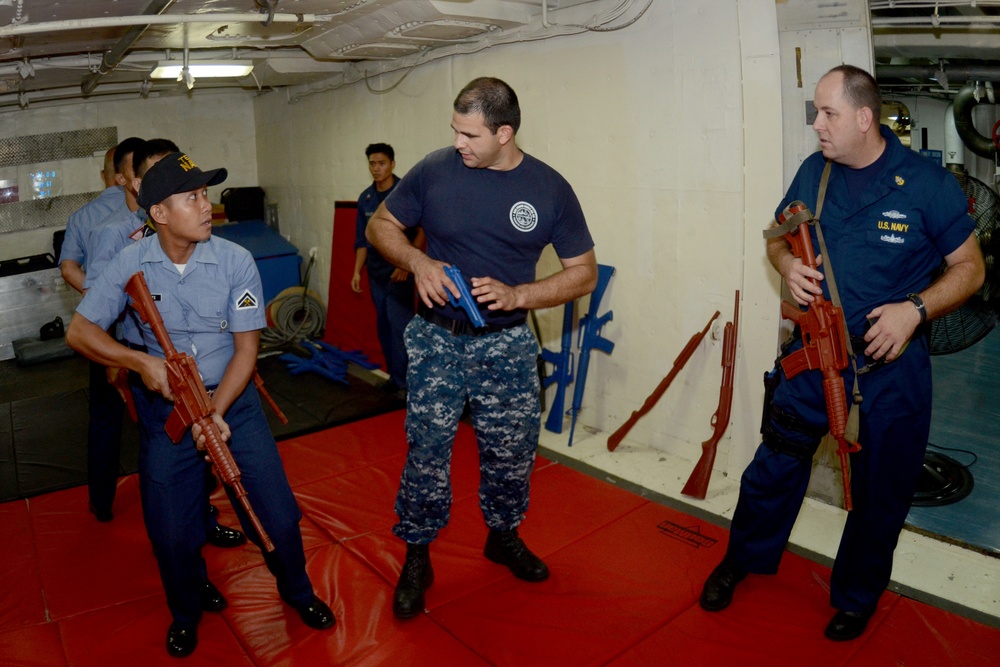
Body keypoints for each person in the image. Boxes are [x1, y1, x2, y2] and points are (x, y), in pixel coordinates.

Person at [699, 65, 985, 641]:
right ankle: (743, 559)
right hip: (811, 359)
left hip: (889, 371)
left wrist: (916, 310)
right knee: (772, 469)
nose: (817, 125)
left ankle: (856, 596)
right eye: (815, 112)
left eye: (827, 113)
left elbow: (970, 270)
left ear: (863, 117)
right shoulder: (815, 173)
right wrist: (790, 268)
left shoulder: (926, 185)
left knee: (881, 493)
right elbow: (779, 238)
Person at [66, 152, 335, 657]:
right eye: (192, 197)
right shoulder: (130, 262)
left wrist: (214, 413)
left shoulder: (235, 260)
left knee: (275, 514)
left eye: (205, 193)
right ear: (159, 214)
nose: (206, 205)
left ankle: (298, 592)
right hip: (165, 416)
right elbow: (80, 331)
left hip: (232, 406)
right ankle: (186, 612)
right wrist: (139, 363)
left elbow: (247, 349)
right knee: (172, 531)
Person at [366, 77, 598, 619]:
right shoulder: (434, 169)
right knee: (426, 453)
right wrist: (418, 262)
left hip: (508, 343)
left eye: (470, 134)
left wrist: (521, 292)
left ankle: (503, 534)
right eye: (455, 131)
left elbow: (582, 273)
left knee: (512, 453)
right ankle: (418, 553)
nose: (459, 143)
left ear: (505, 132)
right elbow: (382, 226)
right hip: (435, 339)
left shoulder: (549, 189)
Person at [86, 138, 247, 549]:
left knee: (204, 467)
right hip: (146, 363)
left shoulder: (210, 247)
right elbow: (96, 309)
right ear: (137, 183)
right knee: (164, 482)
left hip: (196, 374)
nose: (201, 202)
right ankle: (184, 559)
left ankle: (205, 525)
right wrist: (127, 360)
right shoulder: (118, 237)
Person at [61, 137, 143, 522]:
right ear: (128, 175)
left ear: (106, 175)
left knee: (106, 416)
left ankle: (102, 502)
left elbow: (68, 268)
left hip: (103, 329)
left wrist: (97, 295)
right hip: (140, 332)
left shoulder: (83, 217)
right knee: (160, 415)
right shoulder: (147, 212)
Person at [351, 143, 423, 391]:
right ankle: (395, 378)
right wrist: (356, 271)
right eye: (372, 163)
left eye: (381, 163)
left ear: (392, 163)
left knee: (400, 327)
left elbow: (422, 230)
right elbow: (362, 239)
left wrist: (407, 262)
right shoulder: (366, 198)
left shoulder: (405, 192)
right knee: (383, 325)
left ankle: (408, 383)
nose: (376, 168)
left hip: (399, 273)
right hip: (376, 272)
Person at [59, 145, 125, 293]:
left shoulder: (79, 218)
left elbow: (68, 269)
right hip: (155, 305)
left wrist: (101, 298)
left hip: (106, 310)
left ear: (103, 175)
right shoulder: (150, 207)